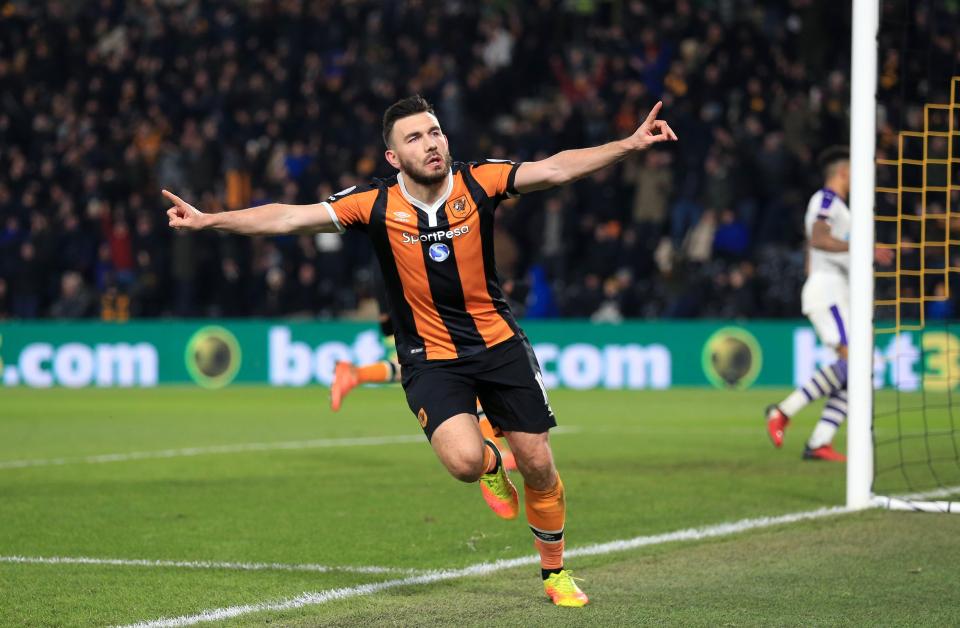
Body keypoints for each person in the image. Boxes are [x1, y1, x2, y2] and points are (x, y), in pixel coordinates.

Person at [164, 94, 677, 606]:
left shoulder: (480, 180)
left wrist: (630, 143)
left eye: (434, 132)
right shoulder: (374, 203)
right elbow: (287, 219)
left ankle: (554, 573)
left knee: (540, 463)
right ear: (393, 157)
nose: (430, 144)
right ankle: (491, 464)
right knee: (463, 462)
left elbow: (557, 169)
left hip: (498, 343)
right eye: (415, 138)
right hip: (429, 356)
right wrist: (211, 220)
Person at [765, 147, 892, 461]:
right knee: (858, 363)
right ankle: (783, 410)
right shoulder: (826, 200)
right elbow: (819, 239)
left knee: (864, 368)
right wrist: (862, 248)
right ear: (843, 172)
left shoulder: (840, 208)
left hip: (836, 292)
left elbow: (814, 253)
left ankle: (820, 441)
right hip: (830, 294)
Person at [330, 310, 519, 471]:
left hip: (403, 297)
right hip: (422, 299)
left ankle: (356, 374)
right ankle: (497, 449)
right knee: (458, 364)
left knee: (427, 364)